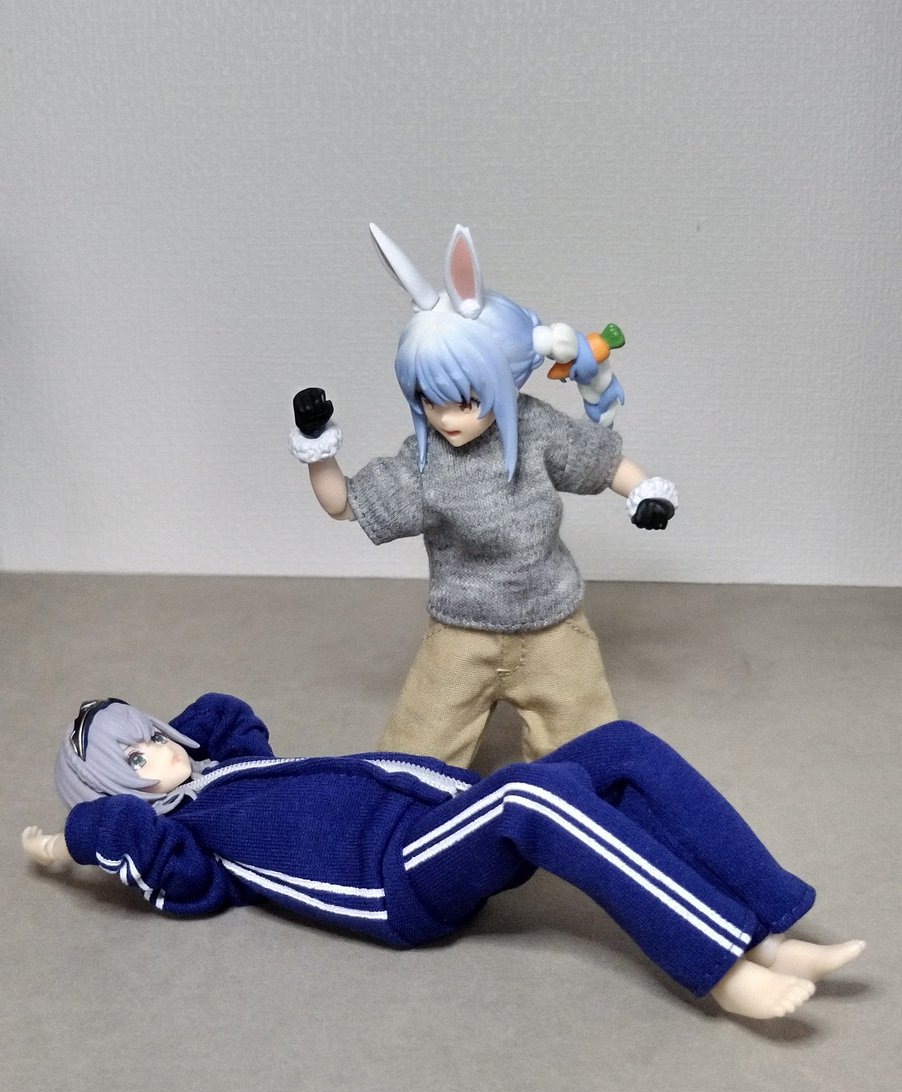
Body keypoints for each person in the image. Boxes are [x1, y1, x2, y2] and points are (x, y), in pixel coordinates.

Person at [24, 692, 865, 1021]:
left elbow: (224, 712)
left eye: (149, 736)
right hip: (396, 880)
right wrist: (72, 843)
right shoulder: (189, 843)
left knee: (621, 748)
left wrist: (168, 736)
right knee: (535, 797)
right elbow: (139, 852)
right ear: (117, 795)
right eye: (131, 759)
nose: (158, 751)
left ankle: (766, 924)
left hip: (442, 813)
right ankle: (722, 966)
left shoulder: (233, 768)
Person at [289, 223, 679, 767]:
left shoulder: (536, 428)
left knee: (589, 760)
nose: (447, 419)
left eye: (466, 401)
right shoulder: (423, 463)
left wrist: (645, 492)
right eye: (430, 401)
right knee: (408, 764)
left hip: (552, 628)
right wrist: (317, 446)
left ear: (505, 380)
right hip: (461, 635)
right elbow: (345, 503)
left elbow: (605, 462)